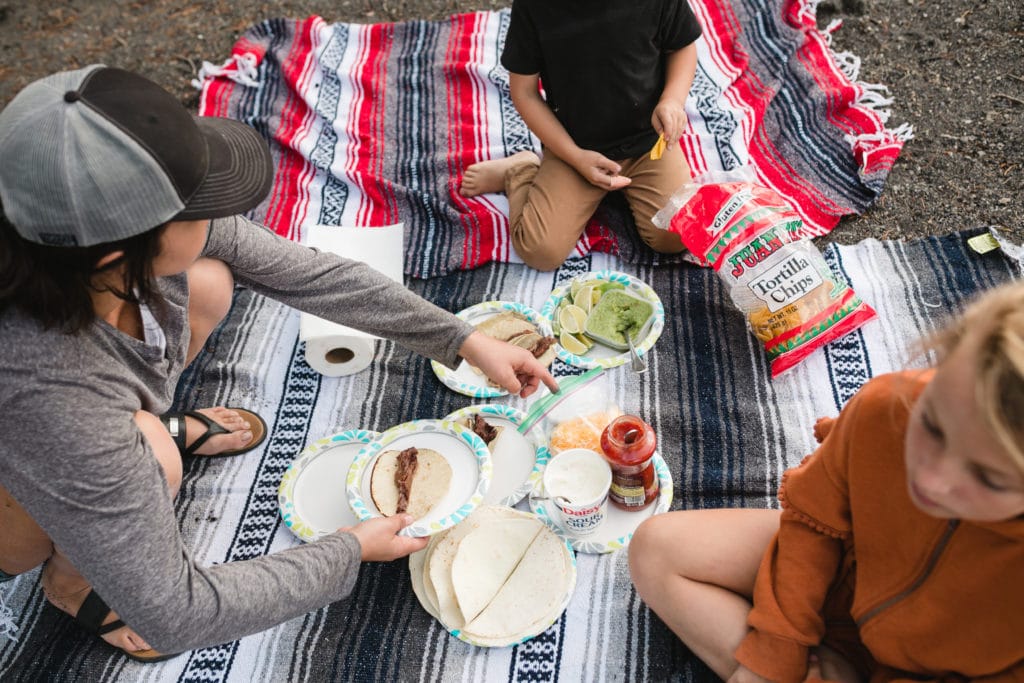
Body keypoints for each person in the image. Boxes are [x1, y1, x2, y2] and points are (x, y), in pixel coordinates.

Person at [0, 65, 558, 662]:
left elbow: (311, 273)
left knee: (207, 283)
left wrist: (463, 341)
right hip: (27, 480)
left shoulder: (76, 247)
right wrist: (348, 550)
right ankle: (71, 580)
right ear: (117, 254)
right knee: (145, 459)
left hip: (72, 433)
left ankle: (150, 432)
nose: (218, 215)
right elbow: (178, 611)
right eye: (197, 206)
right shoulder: (55, 397)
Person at [629, 282, 1024, 682]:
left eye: (988, 477)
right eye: (934, 427)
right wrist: (775, 655)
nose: (932, 479)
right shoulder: (886, 407)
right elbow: (810, 523)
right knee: (655, 549)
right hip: (839, 574)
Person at [458, 0, 703, 271]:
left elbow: (681, 47)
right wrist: (575, 157)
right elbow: (524, 92)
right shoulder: (535, 7)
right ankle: (521, 169)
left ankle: (622, 189)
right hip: (574, 147)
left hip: (648, 142)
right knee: (540, 251)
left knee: (678, 235)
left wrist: (672, 100)